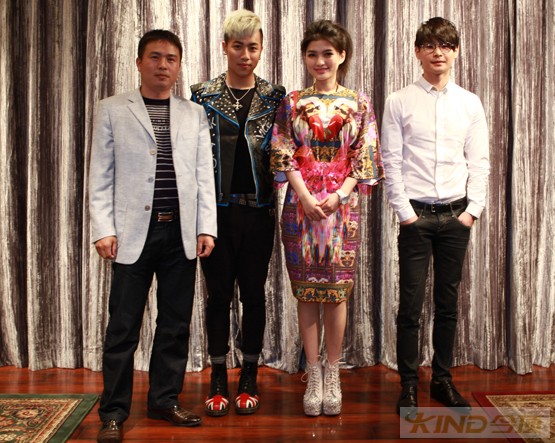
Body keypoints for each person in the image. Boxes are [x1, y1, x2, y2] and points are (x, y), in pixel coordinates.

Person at [89, 29, 217, 442]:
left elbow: (204, 175)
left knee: (175, 324)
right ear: (139, 62)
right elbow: (100, 174)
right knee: (122, 328)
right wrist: (104, 229)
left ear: (178, 66)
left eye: (171, 59)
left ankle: (164, 399)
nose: (163, 65)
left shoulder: (193, 114)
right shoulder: (112, 109)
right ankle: (113, 412)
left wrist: (205, 227)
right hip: (132, 234)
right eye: (155, 57)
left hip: (180, 233)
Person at [271, 20, 384, 417]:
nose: (320, 61)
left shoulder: (359, 103)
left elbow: (365, 154)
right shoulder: (292, 102)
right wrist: (303, 196)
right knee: (306, 292)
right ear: (305, 58)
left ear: (342, 56)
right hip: (299, 208)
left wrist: (339, 195)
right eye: (312, 54)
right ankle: (313, 371)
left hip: (342, 209)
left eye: (327, 53)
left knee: (336, 293)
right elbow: (282, 150)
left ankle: (333, 371)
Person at [380, 17, 490, 418]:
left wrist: (472, 211)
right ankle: (408, 384)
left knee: (447, 303)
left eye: (445, 45)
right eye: (429, 45)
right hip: (417, 217)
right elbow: (391, 161)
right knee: (410, 306)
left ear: (456, 52)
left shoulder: (469, 103)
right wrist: (405, 213)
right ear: (417, 52)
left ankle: (442, 379)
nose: (437, 52)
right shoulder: (399, 101)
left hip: (456, 218)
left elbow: (479, 162)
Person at [190, 9, 285, 417]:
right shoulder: (202, 96)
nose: (245, 55)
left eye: (253, 47)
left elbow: (286, 152)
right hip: (216, 214)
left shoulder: (275, 97)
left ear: (261, 50)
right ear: (225, 47)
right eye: (238, 47)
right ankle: (217, 374)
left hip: (259, 212)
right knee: (218, 297)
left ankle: (249, 374)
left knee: (253, 294)